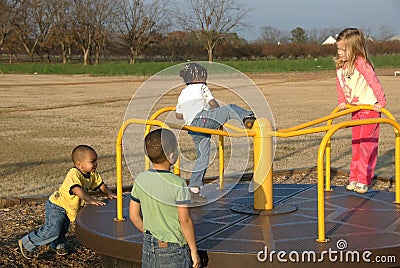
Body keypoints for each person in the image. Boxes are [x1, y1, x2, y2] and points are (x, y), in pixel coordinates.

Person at [175, 62, 256, 202]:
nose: (205, 78)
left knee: (203, 157)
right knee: (230, 108)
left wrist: (191, 112)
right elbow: (213, 104)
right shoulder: (202, 87)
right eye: (203, 75)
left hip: (192, 127)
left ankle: (194, 189)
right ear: (197, 78)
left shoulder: (182, 93)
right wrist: (216, 112)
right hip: (203, 119)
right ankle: (248, 118)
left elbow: (178, 115)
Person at [18, 145, 116, 259]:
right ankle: (27, 242)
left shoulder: (93, 174)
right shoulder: (73, 174)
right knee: (53, 229)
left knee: (63, 228)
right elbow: (76, 189)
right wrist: (90, 199)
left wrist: (109, 193)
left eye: (96, 161)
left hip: (68, 208)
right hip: (57, 205)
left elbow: (100, 184)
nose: (95, 164)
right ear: (79, 164)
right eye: (92, 161)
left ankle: (57, 244)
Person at [129, 128, 201, 268]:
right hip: (174, 249)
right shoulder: (178, 184)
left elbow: (134, 215)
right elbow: (184, 220)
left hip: (149, 246)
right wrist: (193, 251)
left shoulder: (140, 179)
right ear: (172, 155)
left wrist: (153, 233)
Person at [335, 28, 386, 194]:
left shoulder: (361, 64)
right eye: (338, 49)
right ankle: (354, 178)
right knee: (356, 144)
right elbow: (340, 86)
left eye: (344, 50)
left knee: (367, 146)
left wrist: (381, 102)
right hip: (356, 110)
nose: (340, 53)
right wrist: (342, 101)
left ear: (355, 48)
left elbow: (374, 82)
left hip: (369, 109)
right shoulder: (342, 66)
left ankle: (364, 180)